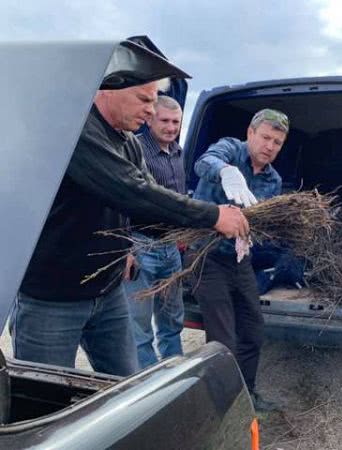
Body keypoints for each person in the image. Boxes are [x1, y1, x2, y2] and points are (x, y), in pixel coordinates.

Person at [11, 76, 249, 377]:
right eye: (143, 99)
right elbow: (133, 192)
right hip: (54, 298)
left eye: (153, 100)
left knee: (126, 385)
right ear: (106, 91)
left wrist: (125, 248)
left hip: (108, 293)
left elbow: (133, 206)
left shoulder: (127, 142)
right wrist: (213, 215)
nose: (150, 110)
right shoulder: (76, 131)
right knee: (43, 394)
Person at [192, 108, 289, 411]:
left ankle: (246, 395)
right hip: (207, 257)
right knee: (222, 340)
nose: (270, 146)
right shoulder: (230, 150)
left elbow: (262, 220)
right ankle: (223, 404)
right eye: (265, 137)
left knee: (253, 329)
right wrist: (225, 171)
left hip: (239, 259)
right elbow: (202, 162)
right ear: (250, 133)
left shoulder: (273, 179)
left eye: (277, 142)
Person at [124, 95, 188, 368]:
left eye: (176, 122)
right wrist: (126, 249)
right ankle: (149, 384)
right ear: (150, 119)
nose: (171, 127)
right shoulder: (134, 149)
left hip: (170, 249)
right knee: (139, 325)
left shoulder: (178, 151)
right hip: (142, 247)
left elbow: (179, 198)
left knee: (172, 318)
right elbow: (122, 200)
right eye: (165, 120)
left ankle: (175, 374)